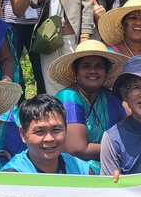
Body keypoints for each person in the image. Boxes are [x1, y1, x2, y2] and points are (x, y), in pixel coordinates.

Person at [50, 40, 129, 174]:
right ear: (76, 71)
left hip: (111, 163)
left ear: (106, 71)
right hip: (76, 169)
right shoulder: (68, 97)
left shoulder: (110, 97)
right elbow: (77, 149)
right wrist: (120, 150)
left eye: (99, 66)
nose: (93, 71)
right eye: (86, 66)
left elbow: (128, 131)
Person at [3, 95, 93, 175]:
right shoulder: (12, 177)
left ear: (66, 129)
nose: (49, 139)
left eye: (56, 130)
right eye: (39, 132)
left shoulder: (82, 171)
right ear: (23, 134)